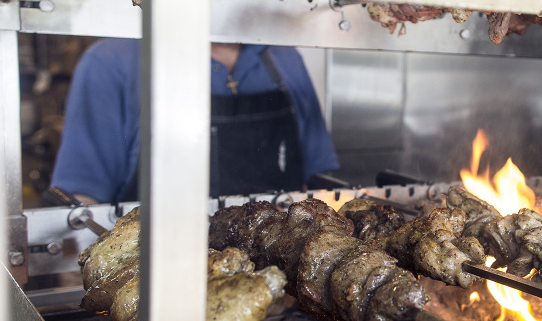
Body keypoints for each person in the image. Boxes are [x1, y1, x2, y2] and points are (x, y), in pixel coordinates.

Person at [49, 38, 339, 204]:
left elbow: (317, 186)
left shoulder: (286, 58)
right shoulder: (112, 62)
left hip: (278, 278)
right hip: (157, 277)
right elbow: (82, 203)